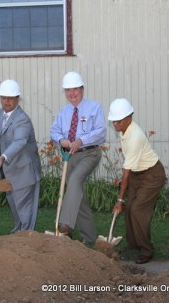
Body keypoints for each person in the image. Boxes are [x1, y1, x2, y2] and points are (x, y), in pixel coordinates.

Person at [50, 71, 106, 244]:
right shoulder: (64, 111)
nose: (72, 93)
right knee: (77, 196)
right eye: (68, 90)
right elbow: (54, 130)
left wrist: (81, 140)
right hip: (70, 156)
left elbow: (101, 132)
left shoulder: (94, 107)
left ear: (82, 89)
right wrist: (62, 140)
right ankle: (89, 238)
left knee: (74, 181)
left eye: (75, 89)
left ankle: (64, 225)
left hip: (90, 153)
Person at [110, 98, 167, 264]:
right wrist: (122, 202)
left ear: (129, 118)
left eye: (118, 121)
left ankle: (146, 251)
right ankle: (133, 244)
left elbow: (126, 173)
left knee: (137, 210)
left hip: (152, 175)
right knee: (129, 209)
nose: (115, 125)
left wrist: (119, 199)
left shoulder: (135, 137)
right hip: (138, 173)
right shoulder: (125, 130)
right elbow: (129, 168)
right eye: (113, 121)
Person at [0, 79, 41, 232]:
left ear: (18, 99)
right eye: (4, 98)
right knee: (15, 208)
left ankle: (27, 239)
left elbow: (19, 142)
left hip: (24, 170)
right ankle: (18, 237)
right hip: (9, 172)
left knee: (25, 210)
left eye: (10, 98)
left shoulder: (22, 119)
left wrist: (3, 157)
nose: (7, 101)